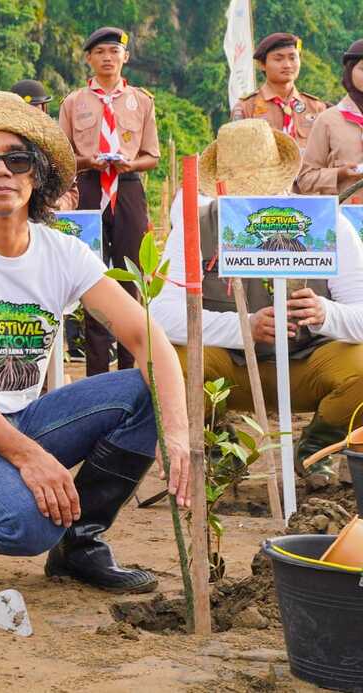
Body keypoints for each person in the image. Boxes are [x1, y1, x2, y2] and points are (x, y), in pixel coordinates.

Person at [0, 91, 190, 592]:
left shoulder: (64, 252)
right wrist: (30, 458)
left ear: (38, 175)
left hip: (22, 418)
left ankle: (81, 544)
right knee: (29, 524)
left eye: (17, 159)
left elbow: (147, 337)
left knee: (146, 391)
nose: (1, 172)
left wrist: (178, 433)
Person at [156, 118, 363, 490]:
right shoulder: (196, 225)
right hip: (228, 370)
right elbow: (160, 313)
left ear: (285, 176)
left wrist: (325, 314)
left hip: (308, 364)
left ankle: (318, 446)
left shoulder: (329, 223)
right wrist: (244, 328)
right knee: (171, 360)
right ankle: (217, 447)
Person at [59, 27, 159, 376]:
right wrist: (89, 161)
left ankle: (133, 372)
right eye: (99, 52)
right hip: (89, 188)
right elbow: (64, 156)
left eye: (114, 51)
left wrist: (130, 164)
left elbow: (152, 156)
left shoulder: (142, 101)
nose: (107, 57)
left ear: (125, 57)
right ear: (89, 58)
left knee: (130, 276)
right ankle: (97, 375)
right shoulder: (74, 102)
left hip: (128, 188)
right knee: (92, 275)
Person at [232, 33, 327, 151]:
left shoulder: (316, 107)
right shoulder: (246, 108)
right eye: (278, 59)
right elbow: (237, 154)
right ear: (262, 64)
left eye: (292, 58)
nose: (287, 65)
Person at [296, 40, 363, 201]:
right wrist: (339, 174)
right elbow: (305, 180)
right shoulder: (328, 120)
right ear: (349, 72)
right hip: (346, 219)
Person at [11, 79, 79, 212]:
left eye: (34, 107)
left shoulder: (56, 147)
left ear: (44, 109)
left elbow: (71, 192)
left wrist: (58, 204)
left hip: (47, 217)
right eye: (23, 108)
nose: (29, 113)